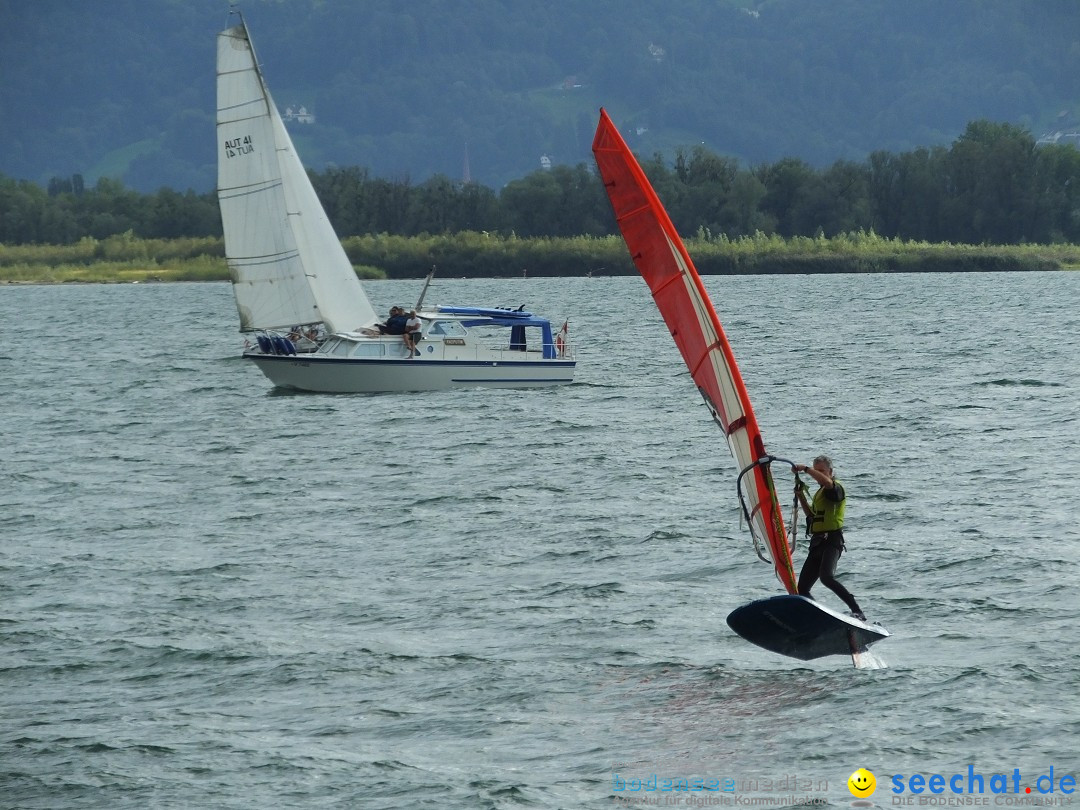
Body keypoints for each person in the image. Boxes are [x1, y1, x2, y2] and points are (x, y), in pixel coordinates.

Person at [792, 455, 866, 621]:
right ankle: (816, 617)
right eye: (816, 470)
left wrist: (805, 469)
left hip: (832, 541)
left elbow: (827, 483)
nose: (818, 474)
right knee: (802, 588)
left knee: (826, 578)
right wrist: (801, 497)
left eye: (822, 471)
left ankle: (857, 610)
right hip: (817, 543)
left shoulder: (835, 489)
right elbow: (812, 516)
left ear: (830, 472)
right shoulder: (819, 493)